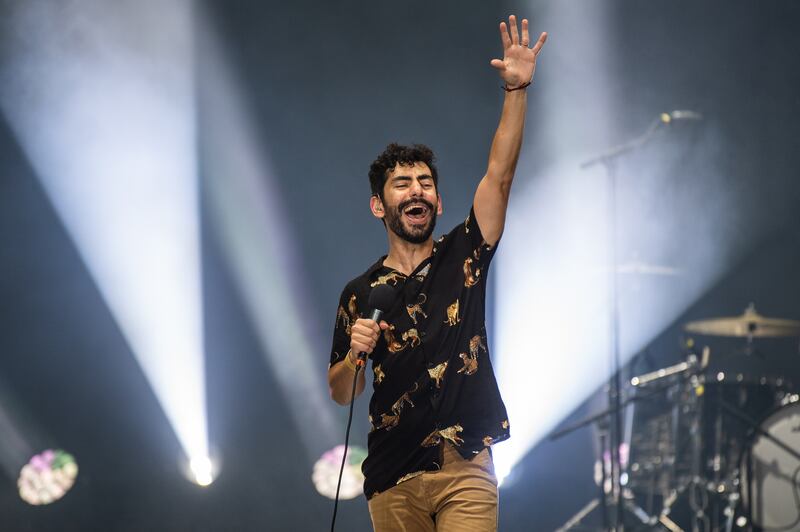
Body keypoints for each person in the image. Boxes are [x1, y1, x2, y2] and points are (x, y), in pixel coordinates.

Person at [327, 15, 547, 532]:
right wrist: (355, 352)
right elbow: (341, 391)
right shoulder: (360, 292)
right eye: (402, 184)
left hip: (464, 463)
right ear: (380, 207)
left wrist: (516, 90)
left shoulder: (464, 254)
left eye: (425, 182)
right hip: (391, 473)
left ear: (438, 200)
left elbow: (500, 173)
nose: (416, 190)